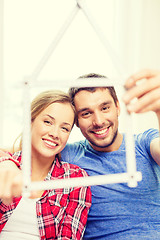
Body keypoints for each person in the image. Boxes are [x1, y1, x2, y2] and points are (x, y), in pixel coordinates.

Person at [1, 69, 160, 239]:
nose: (98, 121)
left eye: (105, 108)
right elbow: (24, 148)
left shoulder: (145, 142)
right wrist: (5, 162)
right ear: (76, 122)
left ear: (118, 107)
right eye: (86, 113)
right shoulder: (67, 154)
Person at [0, 90, 91, 239]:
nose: (55, 133)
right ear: (30, 122)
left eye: (64, 128)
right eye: (48, 122)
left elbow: (69, 236)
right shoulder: (6, 166)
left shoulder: (76, 179)